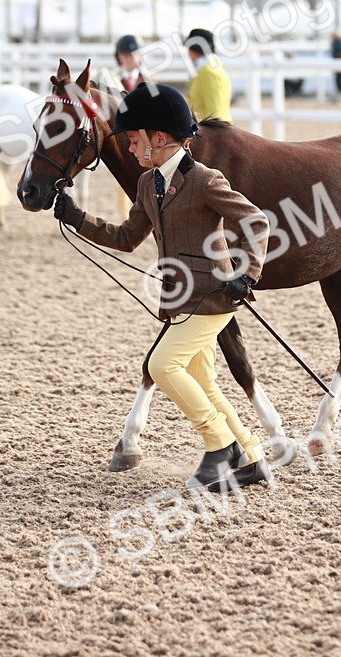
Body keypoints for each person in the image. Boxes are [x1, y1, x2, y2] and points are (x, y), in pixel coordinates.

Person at [52, 83, 271, 491]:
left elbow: (257, 221)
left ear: (160, 138)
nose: (131, 149)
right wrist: (77, 217)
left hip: (214, 296)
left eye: (134, 140)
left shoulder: (205, 180)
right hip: (180, 299)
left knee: (161, 365)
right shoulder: (147, 183)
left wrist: (248, 273)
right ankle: (252, 455)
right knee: (203, 381)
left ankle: (219, 445)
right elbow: (126, 237)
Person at [185, 28, 232, 122]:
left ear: (192, 50)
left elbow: (216, 115)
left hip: (212, 134)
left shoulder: (209, 73)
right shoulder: (204, 71)